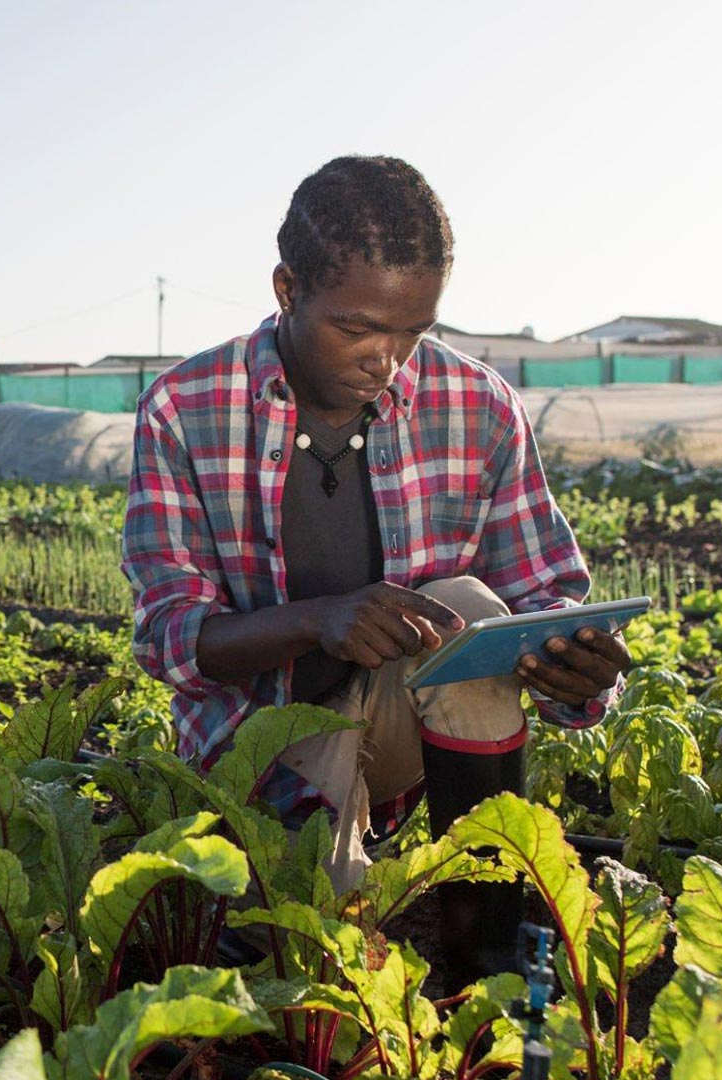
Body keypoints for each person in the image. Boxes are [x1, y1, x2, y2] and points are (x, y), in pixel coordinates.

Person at [121, 155, 631, 990]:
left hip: (392, 740)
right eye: (357, 329)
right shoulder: (186, 407)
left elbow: (542, 596)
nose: (385, 360)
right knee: (304, 968)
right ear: (288, 290)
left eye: (412, 332)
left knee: (468, 608)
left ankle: (484, 971)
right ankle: (293, 894)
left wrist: (573, 667)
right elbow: (170, 640)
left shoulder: (478, 406)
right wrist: (315, 618)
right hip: (256, 753)